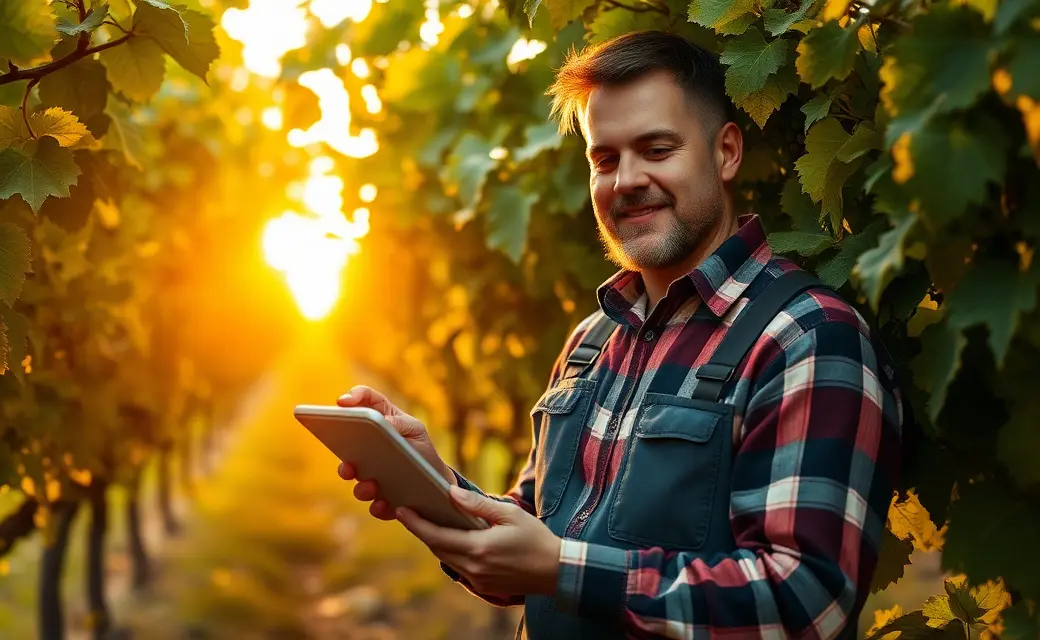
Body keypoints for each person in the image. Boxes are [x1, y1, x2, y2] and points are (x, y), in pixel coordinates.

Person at [336, 30, 902, 639]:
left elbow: (804, 604)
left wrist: (563, 569)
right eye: (605, 159)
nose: (626, 180)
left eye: (656, 149)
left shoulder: (807, 339)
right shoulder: (591, 340)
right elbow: (529, 549)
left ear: (726, 152)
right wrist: (435, 485)